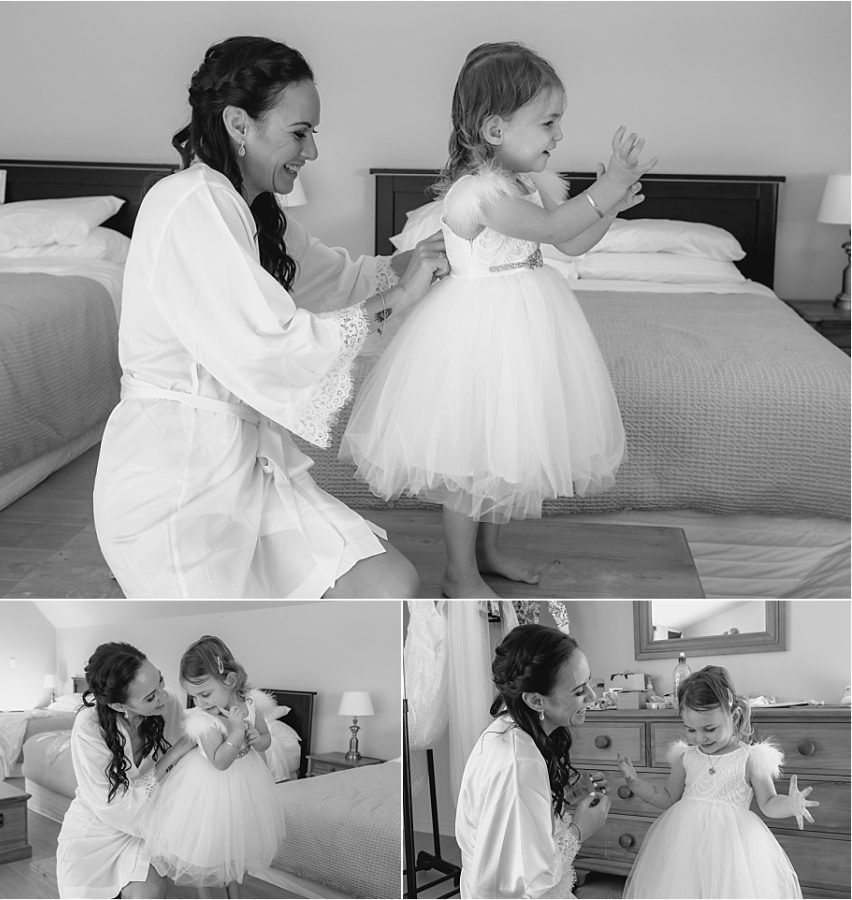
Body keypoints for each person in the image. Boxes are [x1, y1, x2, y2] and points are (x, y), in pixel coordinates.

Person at [92, 36, 448, 599]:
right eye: (300, 133)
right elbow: (273, 345)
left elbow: (344, 279)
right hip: (179, 476)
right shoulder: (191, 201)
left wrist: (438, 251)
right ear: (240, 123)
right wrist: (402, 297)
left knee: (393, 585)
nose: (312, 152)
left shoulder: (252, 210)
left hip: (247, 466)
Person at [340, 42, 656, 598]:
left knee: (504, 447)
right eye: (549, 122)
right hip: (479, 329)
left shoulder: (526, 187)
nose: (558, 136)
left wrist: (608, 207)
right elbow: (559, 227)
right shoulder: (478, 194)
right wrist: (605, 186)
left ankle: (487, 552)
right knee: (472, 455)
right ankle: (458, 572)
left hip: (525, 323)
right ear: (493, 129)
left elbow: (573, 242)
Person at [617, 665, 817, 898]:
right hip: (686, 844)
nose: (699, 738)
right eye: (690, 730)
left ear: (733, 716)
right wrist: (635, 784)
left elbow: (769, 803)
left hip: (731, 851)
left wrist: (791, 805)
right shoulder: (686, 757)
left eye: (709, 729)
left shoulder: (750, 758)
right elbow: (667, 798)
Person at [455, 624, 611, 899]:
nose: (592, 696)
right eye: (578, 691)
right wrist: (582, 828)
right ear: (537, 700)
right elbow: (525, 880)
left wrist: (568, 795)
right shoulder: (519, 764)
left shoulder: (507, 728)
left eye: (589, 681)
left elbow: (522, 826)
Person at [143, 636, 285, 896]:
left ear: (230, 681)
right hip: (211, 787)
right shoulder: (204, 721)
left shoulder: (251, 704)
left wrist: (258, 738)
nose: (200, 702)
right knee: (207, 852)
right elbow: (220, 762)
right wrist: (237, 734)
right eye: (193, 696)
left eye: (205, 694)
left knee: (235, 847)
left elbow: (265, 739)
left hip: (245, 781)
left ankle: (234, 892)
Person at [56, 643, 194, 899]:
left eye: (161, 683)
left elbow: (194, 737)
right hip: (97, 827)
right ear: (120, 707)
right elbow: (117, 807)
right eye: (150, 697)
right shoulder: (89, 727)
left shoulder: (168, 704)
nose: (163, 697)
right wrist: (173, 754)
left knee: (148, 894)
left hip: (146, 827)